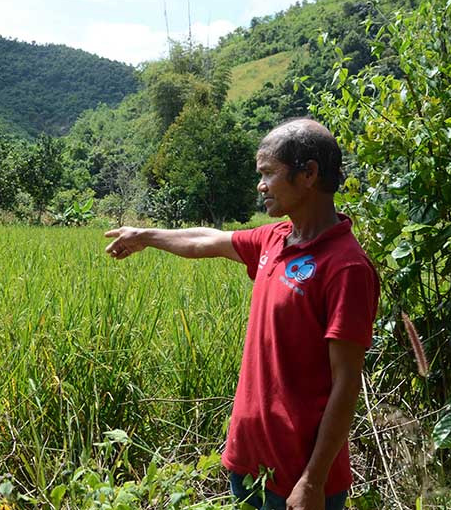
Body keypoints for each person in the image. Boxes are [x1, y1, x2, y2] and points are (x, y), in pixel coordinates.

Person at [104, 118, 379, 510]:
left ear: (309, 174)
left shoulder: (346, 268)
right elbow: (205, 240)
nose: (260, 185)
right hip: (250, 463)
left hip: (300, 480)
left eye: (268, 173)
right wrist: (145, 236)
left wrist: (312, 481)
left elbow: (347, 383)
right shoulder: (274, 239)